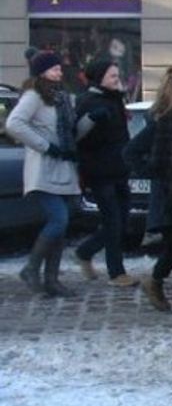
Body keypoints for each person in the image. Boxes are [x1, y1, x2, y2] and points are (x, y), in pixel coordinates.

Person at [7, 51, 80, 297]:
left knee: (60, 227)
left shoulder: (62, 97)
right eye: (54, 69)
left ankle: (51, 280)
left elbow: (71, 130)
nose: (59, 72)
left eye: (60, 68)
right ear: (42, 72)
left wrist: (91, 120)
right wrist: (46, 146)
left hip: (64, 168)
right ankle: (31, 268)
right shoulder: (34, 96)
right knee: (58, 220)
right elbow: (14, 124)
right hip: (44, 168)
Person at [127, 67, 172, 313]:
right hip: (170, 196)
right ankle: (155, 281)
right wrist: (153, 172)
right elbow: (132, 152)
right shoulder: (163, 123)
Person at [73, 57, 137, 287]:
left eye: (117, 75)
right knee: (112, 220)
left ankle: (84, 251)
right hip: (99, 170)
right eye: (112, 76)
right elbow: (76, 135)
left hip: (119, 168)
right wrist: (91, 119)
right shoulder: (88, 101)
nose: (116, 79)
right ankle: (116, 272)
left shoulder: (116, 99)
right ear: (99, 78)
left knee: (122, 220)